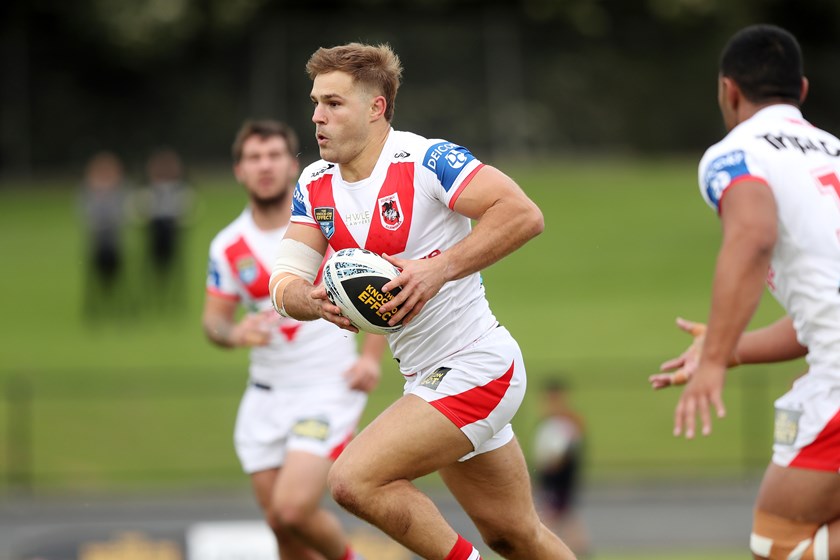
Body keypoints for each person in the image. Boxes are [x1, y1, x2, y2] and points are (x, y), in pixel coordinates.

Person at [268, 43, 576, 560]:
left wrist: (439, 269)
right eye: (315, 102)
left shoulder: (426, 160)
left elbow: (523, 214)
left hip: (480, 366)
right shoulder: (314, 184)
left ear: (376, 107)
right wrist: (311, 299)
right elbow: (284, 280)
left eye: (334, 103)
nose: (317, 117)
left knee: (352, 480)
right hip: (426, 379)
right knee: (515, 536)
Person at [649, 24, 840, 560]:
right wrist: (727, 348)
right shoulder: (833, 152)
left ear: (728, 91)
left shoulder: (736, 153)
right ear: (800, 91)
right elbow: (820, 314)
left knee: (777, 543)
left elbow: (754, 235)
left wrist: (710, 363)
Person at [202, 119, 386, 560]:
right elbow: (214, 322)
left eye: (273, 156)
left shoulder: (326, 225)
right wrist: (234, 333)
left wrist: (371, 358)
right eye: (253, 157)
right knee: (282, 529)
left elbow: (380, 286)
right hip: (265, 396)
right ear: (239, 170)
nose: (264, 166)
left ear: (292, 166)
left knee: (292, 509)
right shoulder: (228, 246)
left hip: (326, 387)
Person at [532, 379, 590, 558]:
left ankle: (542, 552)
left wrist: (547, 472)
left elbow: (562, 456)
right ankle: (581, 553)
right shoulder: (553, 422)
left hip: (558, 479)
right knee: (564, 518)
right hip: (555, 479)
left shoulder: (565, 423)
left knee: (545, 521)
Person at [136, 147, 195, 312]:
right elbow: (139, 212)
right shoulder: (148, 190)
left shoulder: (180, 190)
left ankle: (173, 301)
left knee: (173, 268)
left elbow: (187, 212)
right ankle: (153, 299)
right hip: (155, 232)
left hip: (171, 233)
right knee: (152, 267)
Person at [78, 150, 130, 321]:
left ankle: (119, 307)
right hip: (98, 243)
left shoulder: (120, 192)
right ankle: (96, 309)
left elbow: (125, 214)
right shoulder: (89, 193)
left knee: (118, 276)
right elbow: (86, 216)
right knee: (97, 277)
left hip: (115, 243)